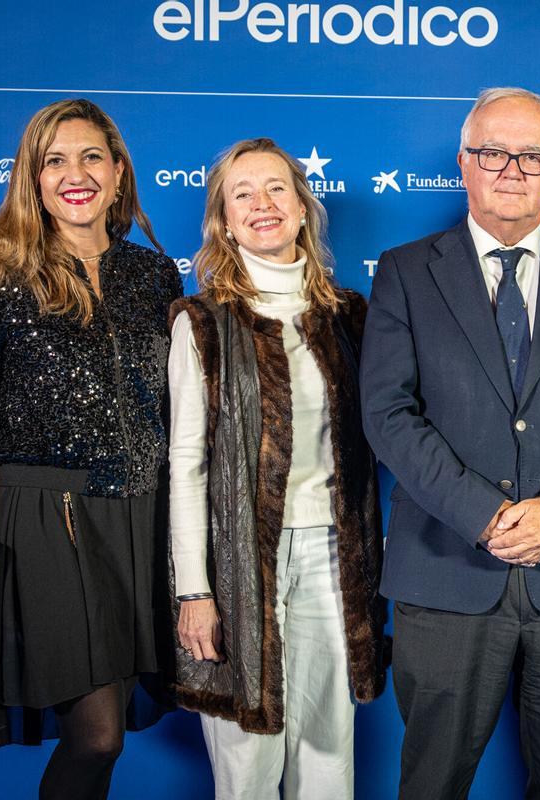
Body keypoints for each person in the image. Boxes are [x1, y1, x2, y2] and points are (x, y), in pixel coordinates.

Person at [360, 87, 540, 798]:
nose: (512, 169)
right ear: (465, 162)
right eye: (494, 152)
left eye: (532, 156)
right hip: (446, 569)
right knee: (431, 782)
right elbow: (388, 412)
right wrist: (484, 516)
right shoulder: (404, 272)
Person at [0, 98, 180, 799]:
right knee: (97, 734)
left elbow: (177, 412)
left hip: (138, 516)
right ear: (33, 178)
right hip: (47, 518)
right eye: (54, 160)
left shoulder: (154, 276)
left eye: (91, 156)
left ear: (118, 173)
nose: (74, 174)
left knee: (110, 737)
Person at [167, 138, 386, 800]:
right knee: (248, 764)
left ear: (300, 206)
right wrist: (193, 592)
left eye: (276, 189)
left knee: (327, 757)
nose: (262, 204)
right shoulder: (202, 323)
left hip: (333, 560)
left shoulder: (349, 316)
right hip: (239, 568)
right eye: (243, 194)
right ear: (224, 221)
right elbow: (186, 466)